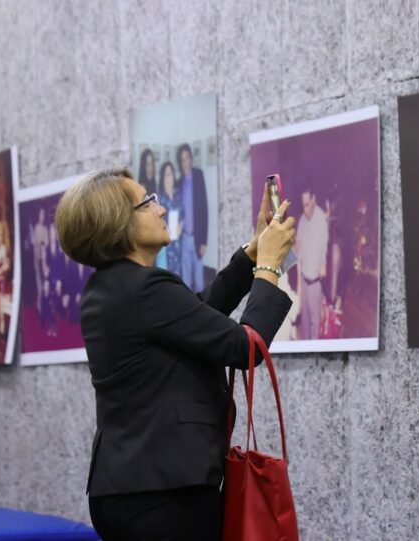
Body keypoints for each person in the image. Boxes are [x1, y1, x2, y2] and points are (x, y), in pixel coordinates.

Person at [55, 167, 295, 541]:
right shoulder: (144, 289)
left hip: (129, 489)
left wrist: (252, 252)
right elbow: (244, 347)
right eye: (147, 202)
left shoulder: (109, 288)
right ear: (119, 224)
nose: (162, 209)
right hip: (163, 495)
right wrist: (268, 267)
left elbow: (197, 315)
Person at [295, 184, 329, 340]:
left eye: (307, 204)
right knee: (304, 324)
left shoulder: (322, 220)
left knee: (315, 323)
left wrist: (323, 263)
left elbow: (324, 249)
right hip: (303, 280)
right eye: (303, 205)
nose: (305, 209)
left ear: (314, 199)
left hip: (315, 283)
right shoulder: (302, 220)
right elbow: (298, 249)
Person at [177, 143, 208, 291]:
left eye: (186, 158)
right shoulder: (179, 183)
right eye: (181, 159)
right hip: (184, 239)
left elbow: (204, 209)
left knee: (200, 283)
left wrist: (204, 241)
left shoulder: (198, 176)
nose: (184, 162)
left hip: (197, 239)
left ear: (191, 159)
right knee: (186, 282)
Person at [156, 161, 183, 275]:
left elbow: (184, 216)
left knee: (180, 278)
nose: (169, 177)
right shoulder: (159, 199)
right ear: (162, 177)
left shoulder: (178, 195)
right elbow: (156, 223)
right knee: (167, 277)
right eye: (166, 174)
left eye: (171, 174)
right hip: (166, 247)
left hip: (179, 244)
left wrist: (181, 225)